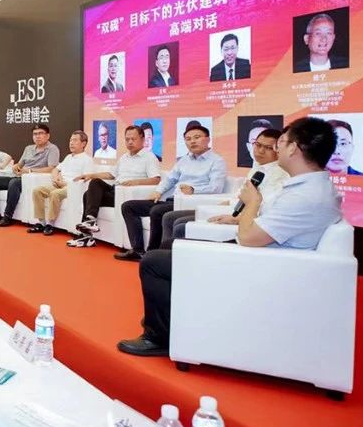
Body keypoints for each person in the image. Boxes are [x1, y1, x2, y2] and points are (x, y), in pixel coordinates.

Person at [118, 117, 343, 356]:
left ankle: (158, 336)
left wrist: (252, 202)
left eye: (282, 142)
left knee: (153, 262)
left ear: (293, 149)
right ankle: (169, 317)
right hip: (261, 254)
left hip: (256, 264)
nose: (276, 148)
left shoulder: (304, 196)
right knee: (171, 244)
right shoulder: (309, 187)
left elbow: (248, 237)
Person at [115, 121, 228, 261]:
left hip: (190, 203)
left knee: (157, 211)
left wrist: (194, 190)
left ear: (208, 139)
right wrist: (158, 191)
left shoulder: (217, 161)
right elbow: (170, 179)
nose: (192, 141)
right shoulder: (184, 160)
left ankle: (153, 253)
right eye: (188, 139)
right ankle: (137, 250)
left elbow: (216, 187)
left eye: (197, 137)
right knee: (129, 206)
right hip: (172, 200)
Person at [69, 125, 161, 248]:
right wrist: (90, 175)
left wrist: (135, 182)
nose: (130, 142)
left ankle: (86, 235)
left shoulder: (149, 157)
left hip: (128, 194)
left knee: (87, 195)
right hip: (115, 191)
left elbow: (156, 180)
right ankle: (90, 224)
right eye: (127, 139)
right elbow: (111, 175)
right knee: (94, 184)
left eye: (133, 139)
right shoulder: (124, 157)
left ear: (142, 139)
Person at [0, 125, 60, 226]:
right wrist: (16, 167)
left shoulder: (52, 149)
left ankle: (7, 216)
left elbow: (51, 168)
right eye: (35, 134)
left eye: (40, 133)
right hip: (19, 176)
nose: (37, 136)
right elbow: (20, 164)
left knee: (14, 183)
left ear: (47, 136)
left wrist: (29, 171)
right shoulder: (28, 148)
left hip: (33, 179)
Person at [29, 130, 93, 235]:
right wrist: (55, 178)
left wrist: (65, 184)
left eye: (75, 140)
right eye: (70, 140)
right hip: (58, 184)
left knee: (55, 194)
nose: (71, 143)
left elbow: (85, 179)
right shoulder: (68, 157)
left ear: (83, 143)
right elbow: (56, 169)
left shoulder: (87, 160)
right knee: (37, 191)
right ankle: (41, 222)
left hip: (72, 188)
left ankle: (50, 224)